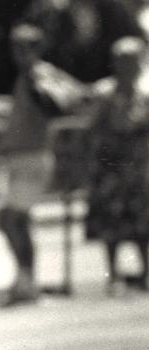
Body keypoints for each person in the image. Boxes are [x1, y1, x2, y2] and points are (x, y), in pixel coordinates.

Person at [0, 23, 86, 302]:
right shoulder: (31, 75)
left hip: (32, 155)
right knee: (17, 221)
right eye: (16, 47)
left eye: (25, 47)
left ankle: (27, 282)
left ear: (37, 48)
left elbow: (62, 101)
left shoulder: (39, 74)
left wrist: (42, 94)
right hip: (23, 156)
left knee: (12, 220)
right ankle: (25, 281)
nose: (18, 53)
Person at [86, 36, 149, 294]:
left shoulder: (144, 96)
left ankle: (145, 272)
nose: (128, 67)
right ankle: (113, 274)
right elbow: (92, 130)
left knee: (142, 223)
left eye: (133, 61)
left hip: (137, 169)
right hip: (111, 168)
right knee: (110, 224)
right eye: (123, 61)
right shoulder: (104, 94)